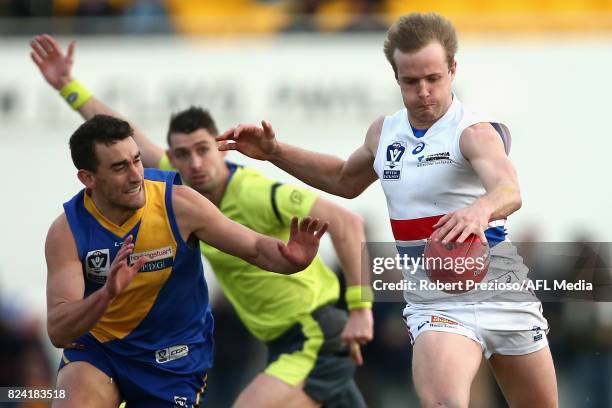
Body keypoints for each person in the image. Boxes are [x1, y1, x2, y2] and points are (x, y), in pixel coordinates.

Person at [216, 12, 558, 408]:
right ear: (396, 78)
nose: (424, 91)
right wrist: (275, 152)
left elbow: (508, 189)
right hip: (436, 301)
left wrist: (480, 210)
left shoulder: (474, 132)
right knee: (443, 402)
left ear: (452, 69)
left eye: (433, 79)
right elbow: (344, 179)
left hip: (501, 287)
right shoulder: (385, 132)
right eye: (411, 81)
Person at [32, 34, 373, 408]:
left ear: (220, 147)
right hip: (275, 340)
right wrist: (68, 86)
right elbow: (115, 134)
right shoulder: (160, 182)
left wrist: (361, 310)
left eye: (203, 151)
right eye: (182, 154)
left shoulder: (247, 192)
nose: (194, 164)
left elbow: (348, 222)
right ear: (171, 159)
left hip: (311, 330)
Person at [44, 114, 327, 408]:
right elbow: (59, 331)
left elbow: (254, 246)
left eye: (137, 160)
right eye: (119, 167)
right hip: (102, 350)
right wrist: (107, 294)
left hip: (173, 359)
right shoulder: (67, 232)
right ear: (88, 178)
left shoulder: (178, 204)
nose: (136, 175)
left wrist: (291, 259)